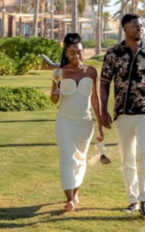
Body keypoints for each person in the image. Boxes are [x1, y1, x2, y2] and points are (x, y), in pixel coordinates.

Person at [100, 13, 145, 218]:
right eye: (135, 26)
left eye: (141, 25)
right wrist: (103, 110)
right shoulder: (113, 53)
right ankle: (132, 201)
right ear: (125, 29)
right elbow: (104, 83)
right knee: (126, 156)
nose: (140, 28)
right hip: (122, 112)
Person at [50, 32, 104, 212]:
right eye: (72, 52)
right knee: (67, 157)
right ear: (66, 53)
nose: (76, 56)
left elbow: (95, 99)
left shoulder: (91, 71)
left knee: (80, 159)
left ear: (83, 52)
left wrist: (100, 126)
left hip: (85, 123)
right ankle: (70, 199)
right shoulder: (59, 72)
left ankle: (75, 192)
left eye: (79, 52)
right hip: (65, 121)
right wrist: (54, 95)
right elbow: (54, 100)